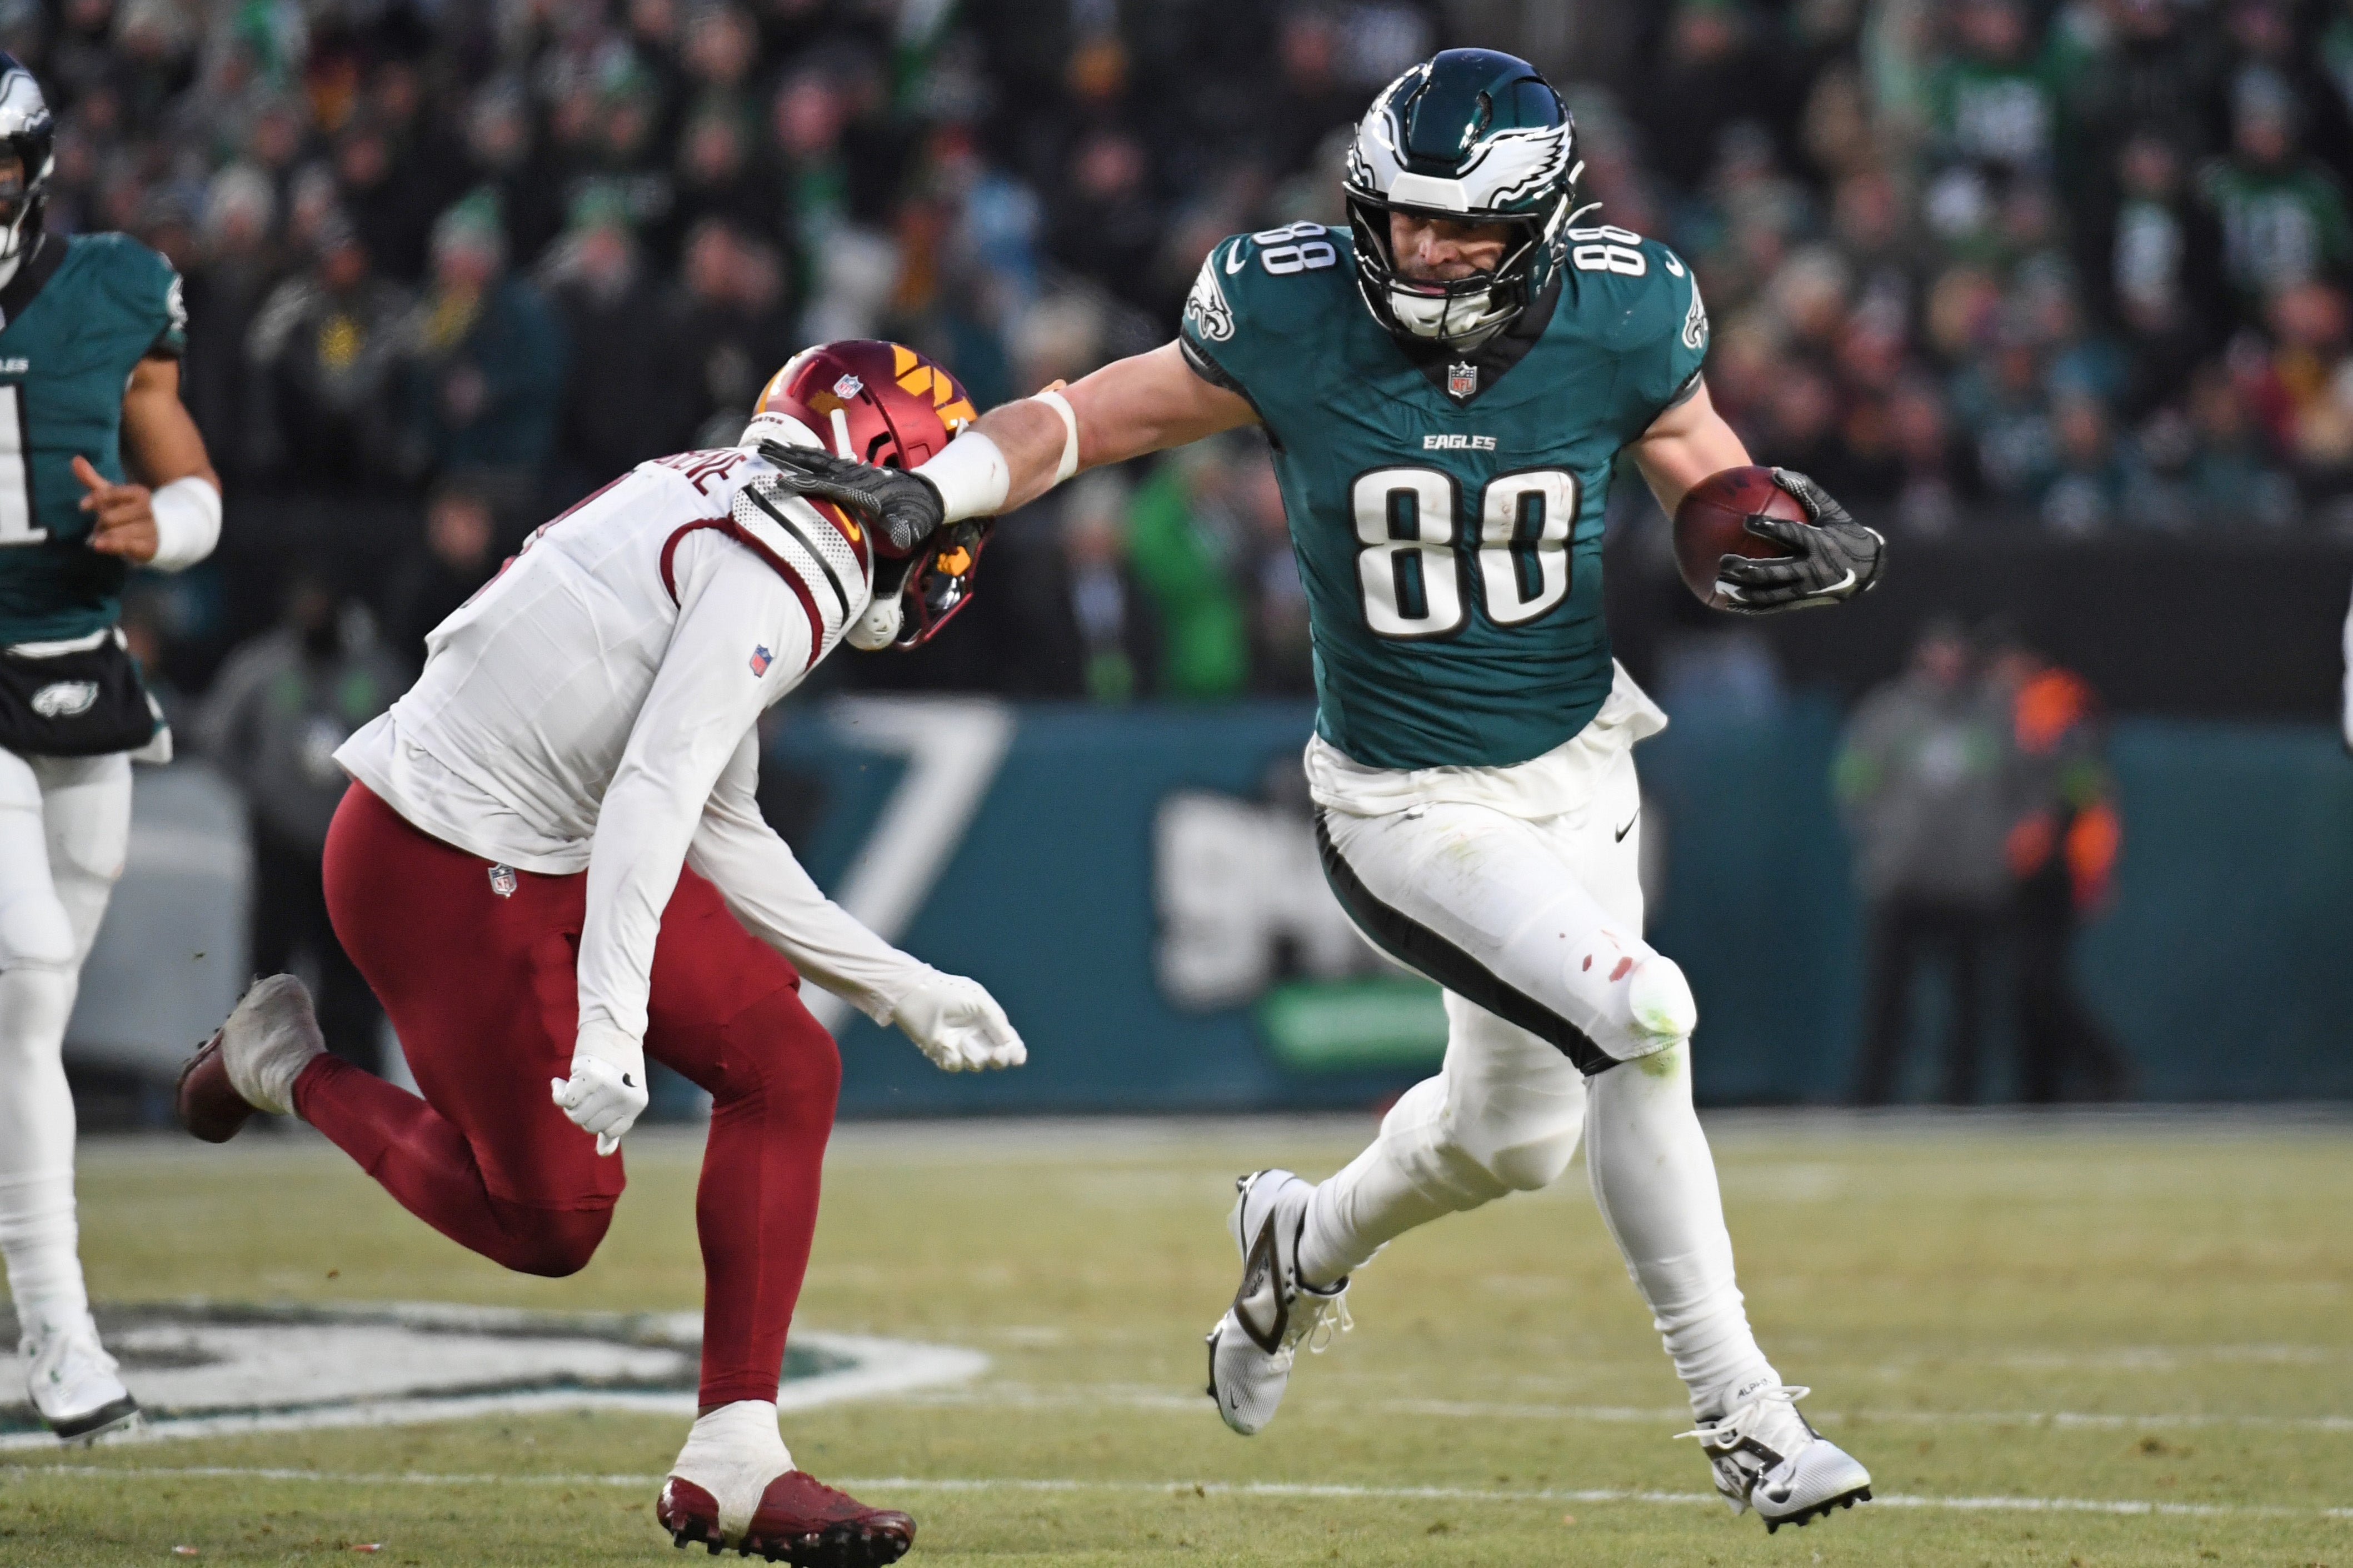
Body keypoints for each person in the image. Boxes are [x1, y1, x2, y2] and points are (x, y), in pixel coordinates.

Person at [765, 50, 1884, 1533]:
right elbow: (1089, 415)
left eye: (1459, 229)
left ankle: (1296, 1242)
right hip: (1405, 796)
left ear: (1541, 223)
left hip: (1576, 761)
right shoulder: (1290, 307)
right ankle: (1743, 1413)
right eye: (1402, 218)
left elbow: (1703, 469)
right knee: (1644, 1012)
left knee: (1513, 1138)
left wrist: (1776, 534)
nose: (1423, 251)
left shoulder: (1624, 305)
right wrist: (945, 487)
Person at [173, 342, 1020, 1565]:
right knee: (554, 1221)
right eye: (941, 494)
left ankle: (734, 1453)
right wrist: (613, 1023)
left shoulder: (746, 501)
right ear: (882, 480)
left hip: (550, 837)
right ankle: (285, 1061)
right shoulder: (802, 568)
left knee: (786, 1061)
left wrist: (899, 985)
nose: (950, 530)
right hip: (441, 861)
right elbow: (655, 794)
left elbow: (716, 816)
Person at [0, 55, 223, 1444]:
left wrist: (163, 524)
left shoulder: (116, 288)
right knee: (24, 986)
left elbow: (187, 471)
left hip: (76, 673)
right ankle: (63, 1336)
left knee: (37, 1005)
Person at [197, 570, 408, 1073]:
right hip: (280, 845)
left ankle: (359, 1082)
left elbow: (410, 737)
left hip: (352, 847)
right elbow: (215, 736)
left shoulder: (374, 672)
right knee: (269, 972)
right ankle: (256, 1083)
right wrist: (262, 793)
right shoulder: (262, 669)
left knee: (353, 971)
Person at [1836, 622, 2014, 1104]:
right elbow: (1853, 782)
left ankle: (1962, 1098)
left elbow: (2019, 789)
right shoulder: (1887, 712)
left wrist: (1997, 848)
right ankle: (1871, 1098)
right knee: (1887, 1001)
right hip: (1901, 879)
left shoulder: (1994, 714)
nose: (1947, 663)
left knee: (1970, 1003)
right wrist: (1882, 841)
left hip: (1971, 883)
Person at [1987, 629, 2131, 1103]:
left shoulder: (2057, 701)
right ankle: (2038, 1092)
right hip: (2026, 864)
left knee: (2041, 980)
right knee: (2027, 986)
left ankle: (2106, 1067)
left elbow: (2083, 782)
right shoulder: (2012, 706)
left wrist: (2050, 835)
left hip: (2058, 864)